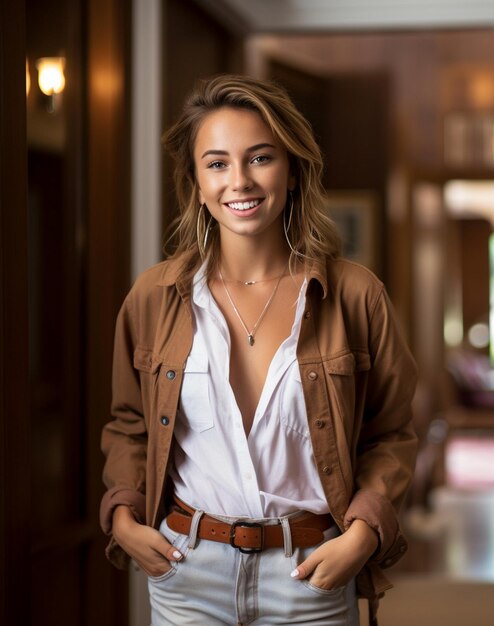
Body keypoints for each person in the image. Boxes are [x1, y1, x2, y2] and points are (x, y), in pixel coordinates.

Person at [100, 74, 418, 626]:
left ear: (292, 170)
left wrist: (363, 535)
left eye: (260, 158)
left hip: (311, 571)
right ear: (197, 183)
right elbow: (131, 423)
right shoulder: (153, 296)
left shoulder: (356, 295)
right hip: (187, 570)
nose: (239, 181)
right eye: (217, 163)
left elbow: (391, 434)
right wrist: (124, 516)